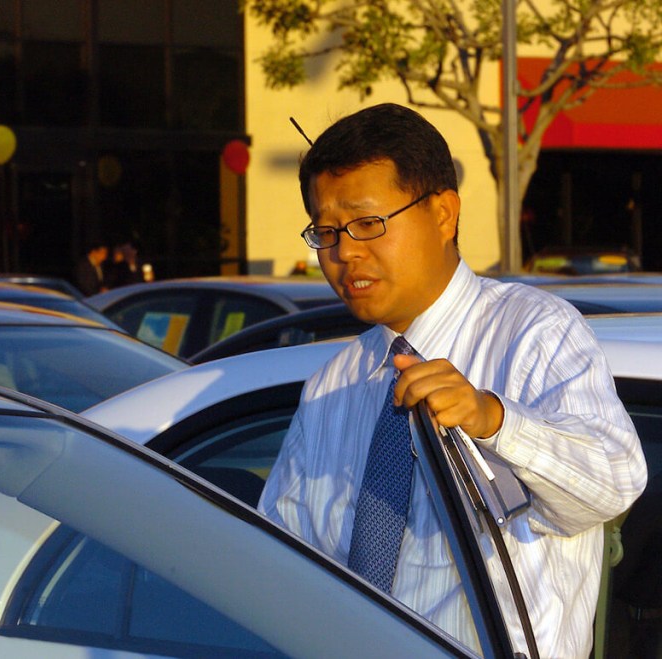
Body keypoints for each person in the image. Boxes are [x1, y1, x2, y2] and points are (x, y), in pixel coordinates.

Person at [257, 103, 646, 657]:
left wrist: (494, 421)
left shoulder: (534, 331)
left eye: (368, 224)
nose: (345, 252)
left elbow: (611, 483)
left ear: (443, 213)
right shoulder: (332, 385)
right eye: (325, 231)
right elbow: (284, 563)